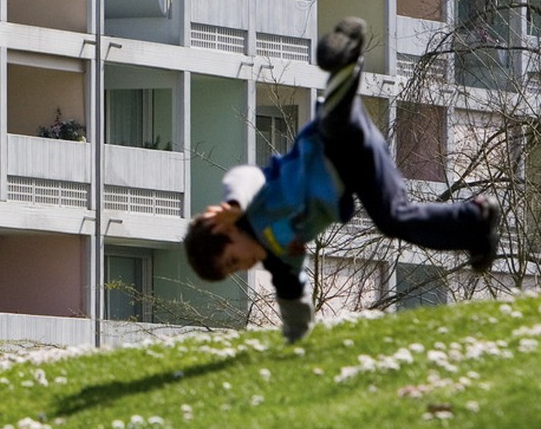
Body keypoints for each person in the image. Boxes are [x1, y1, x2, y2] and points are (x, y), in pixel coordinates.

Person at [184, 17, 501, 342]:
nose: (245, 265)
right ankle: (475, 224)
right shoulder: (280, 261)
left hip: (328, 148)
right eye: (236, 269)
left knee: (335, 126)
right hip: (357, 174)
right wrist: (295, 340)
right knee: (393, 220)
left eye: (234, 259)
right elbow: (294, 299)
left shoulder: (250, 207)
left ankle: (348, 54)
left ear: (225, 228)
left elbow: (245, 176)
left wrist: (234, 203)